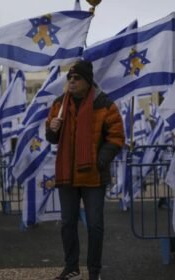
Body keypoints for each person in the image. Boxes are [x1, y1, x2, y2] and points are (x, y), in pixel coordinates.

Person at [46, 60, 125, 280]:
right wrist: (52, 129)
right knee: (68, 224)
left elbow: (117, 138)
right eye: (69, 78)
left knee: (95, 225)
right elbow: (51, 137)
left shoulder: (104, 104)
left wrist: (100, 161)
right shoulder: (59, 104)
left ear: (87, 81)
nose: (71, 82)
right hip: (67, 175)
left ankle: (94, 271)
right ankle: (71, 268)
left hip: (93, 176)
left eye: (76, 78)